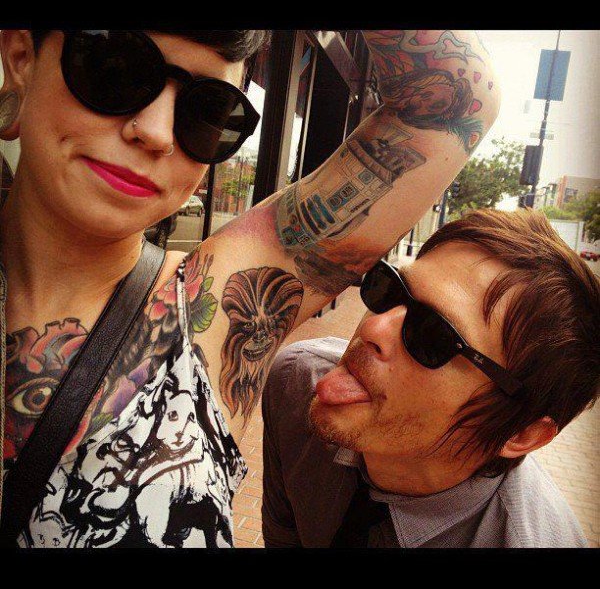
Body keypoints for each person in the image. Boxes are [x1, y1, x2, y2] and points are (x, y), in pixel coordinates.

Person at [0, 30, 499, 547]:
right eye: (116, 70)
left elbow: (457, 94)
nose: (157, 132)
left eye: (208, 110)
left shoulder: (215, 304)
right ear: (20, 59)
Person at [262, 208, 599, 548]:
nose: (372, 327)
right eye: (390, 291)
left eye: (433, 335)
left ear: (522, 433)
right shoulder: (296, 384)